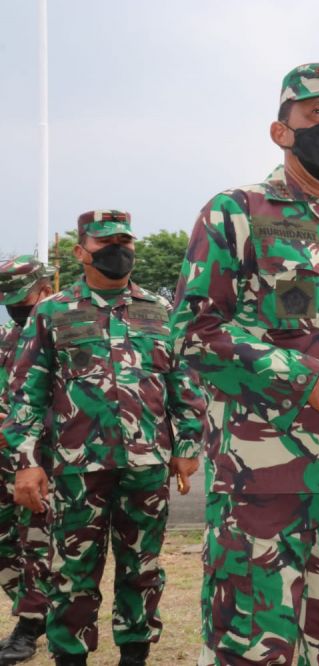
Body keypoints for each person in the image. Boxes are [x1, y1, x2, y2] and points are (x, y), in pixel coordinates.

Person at [170, 63, 319, 665]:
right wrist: (308, 380)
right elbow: (194, 333)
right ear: (282, 132)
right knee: (255, 650)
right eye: (318, 115)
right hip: (263, 489)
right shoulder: (237, 212)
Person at [1, 211, 207, 666]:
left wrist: (188, 447)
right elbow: (26, 393)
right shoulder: (51, 313)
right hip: (76, 468)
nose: (118, 251)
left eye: (124, 242)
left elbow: (183, 383)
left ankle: (134, 655)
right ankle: (70, 656)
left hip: (146, 465)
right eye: (105, 243)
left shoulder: (158, 309)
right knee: (72, 573)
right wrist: (27, 461)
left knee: (143, 570)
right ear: (81, 252)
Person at [0, 256, 55, 663]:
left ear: (45, 289)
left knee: (35, 540)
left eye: (22, 299)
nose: (17, 308)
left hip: (45, 458)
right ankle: (41, 611)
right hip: (3, 456)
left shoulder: (62, 333)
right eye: (9, 302)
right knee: (4, 545)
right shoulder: (6, 339)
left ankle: (30, 624)